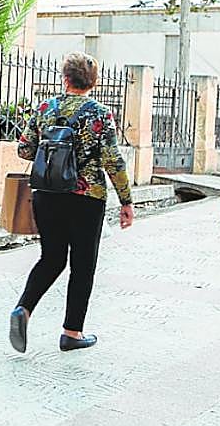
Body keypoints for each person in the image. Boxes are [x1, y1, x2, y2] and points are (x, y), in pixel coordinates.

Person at [10, 52, 135, 353]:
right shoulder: (99, 113)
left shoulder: (44, 107)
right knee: (82, 264)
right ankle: (72, 332)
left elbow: (24, 150)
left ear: (65, 78)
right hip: (86, 197)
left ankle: (23, 309)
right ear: (93, 82)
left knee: (51, 257)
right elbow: (112, 160)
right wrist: (127, 201)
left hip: (47, 194)